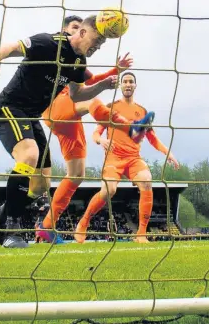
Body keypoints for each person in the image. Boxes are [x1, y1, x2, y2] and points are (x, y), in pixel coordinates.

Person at [0, 16, 119, 248]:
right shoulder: (47, 43)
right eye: (96, 40)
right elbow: (10, 47)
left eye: (102, 44)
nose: (98, 46)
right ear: (82, 33)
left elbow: (76, 95)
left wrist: (102, 85)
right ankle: (10, 229)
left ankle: (2, 211)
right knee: (29, 155)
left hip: (30, 117)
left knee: (41, 185)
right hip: (8, 108)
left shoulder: (79, 62)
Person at [35, 16, 148, 243]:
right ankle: (123, 126)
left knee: (76, 175)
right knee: (93, 103)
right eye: (75, 28)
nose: (81, 32)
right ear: (65, 31)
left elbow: (91, 79)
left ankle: (46, 227)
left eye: (82, 28)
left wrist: (115, 70)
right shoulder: (56, 49)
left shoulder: (79, 61)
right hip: (56, 106)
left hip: (70, 120)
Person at [74, 71, 179, 244]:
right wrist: (101, 140)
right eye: (125, 81)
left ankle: (141, 234)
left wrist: (168, 153)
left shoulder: (141, 111)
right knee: (109, 191)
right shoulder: (111, 107)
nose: (128, 84)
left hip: (133, 159)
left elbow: (152, 138)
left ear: (135, 86)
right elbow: (95, 133)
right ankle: (83, 223)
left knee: (146, 180)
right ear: (121, 85)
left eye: (131, 81)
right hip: (113, 159)